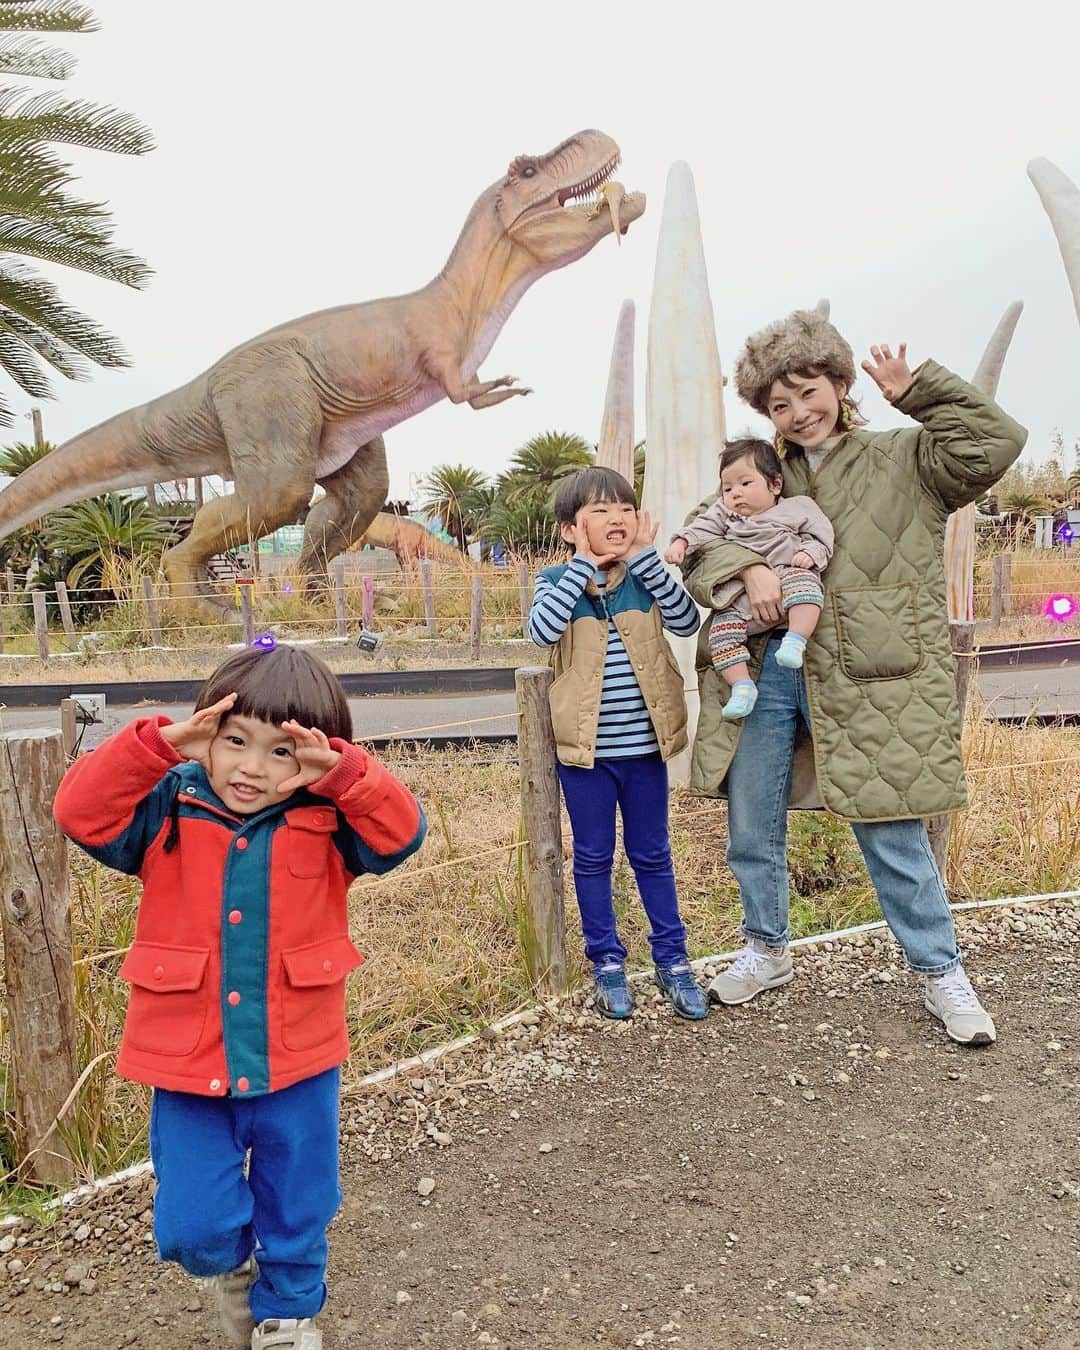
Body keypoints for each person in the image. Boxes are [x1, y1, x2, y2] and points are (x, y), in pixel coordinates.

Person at [53, 644, 426, 1350]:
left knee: (299, 1199)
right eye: (235, 741)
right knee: (196, 1224)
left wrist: (346, 776)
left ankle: (287, 1314)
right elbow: (78, 811)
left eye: (282, 752)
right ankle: (231, 1270)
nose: (252, 767)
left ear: (315, 757)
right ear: (207, 735)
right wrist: (158, 747)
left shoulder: (329, 817)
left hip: (299, 1054)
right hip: (188, 1059)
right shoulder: (168, 806)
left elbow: (402, 833)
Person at [681, 309, 1026, 1046]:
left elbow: (996, 444)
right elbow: (693, 543)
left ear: (839, 382)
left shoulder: (907, 456)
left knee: (894, 828)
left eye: (808, 391)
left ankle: (941, 972)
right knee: (752, 821)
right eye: (779, 405)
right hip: (768, 673)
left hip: (876, 671)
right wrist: (745, 566)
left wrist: (920, 392)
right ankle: (766, 949)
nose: (798, 413)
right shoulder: (758, 476)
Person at [528, 466, 708, 1021]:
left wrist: (649, 559)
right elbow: (541, 632)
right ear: (570, 529)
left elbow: (683, 622)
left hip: (644, 751)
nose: (617, 519)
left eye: (625, 509)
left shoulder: (644, 577)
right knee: (593, 857)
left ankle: (672, 960)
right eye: (601, 511)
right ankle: (606, 961)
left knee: (653, 855)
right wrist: (582, 567)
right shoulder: (555, 580)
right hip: (586, 756)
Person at [664, 437, 833, 720]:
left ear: (775, 484)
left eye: (745, 484)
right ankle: (742, 686)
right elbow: (701, 528)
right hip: (743, 600)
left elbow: (821, 534)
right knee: (721, 633)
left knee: (805, 583)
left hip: (787, 575)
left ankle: (795, 639)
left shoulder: (797, 507)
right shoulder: (723, 513)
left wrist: (811, 553)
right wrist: (681, 543)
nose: (735, 493)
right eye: (727, 487)